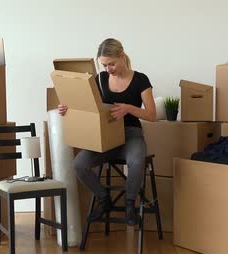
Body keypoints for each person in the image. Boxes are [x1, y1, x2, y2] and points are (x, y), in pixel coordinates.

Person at [58, 38, 157, 226]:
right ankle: (104, 199)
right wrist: (67, 108)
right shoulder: (100, 80)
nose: (107, 69)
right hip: (106, 138)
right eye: (104, 65)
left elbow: (152, 115)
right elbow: (87, 106)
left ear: (121, 56)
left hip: (131, 135)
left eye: (111, 64)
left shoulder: (140, 79)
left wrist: (129, 108)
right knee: (79, 164)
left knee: (136, 162)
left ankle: (130, 205)